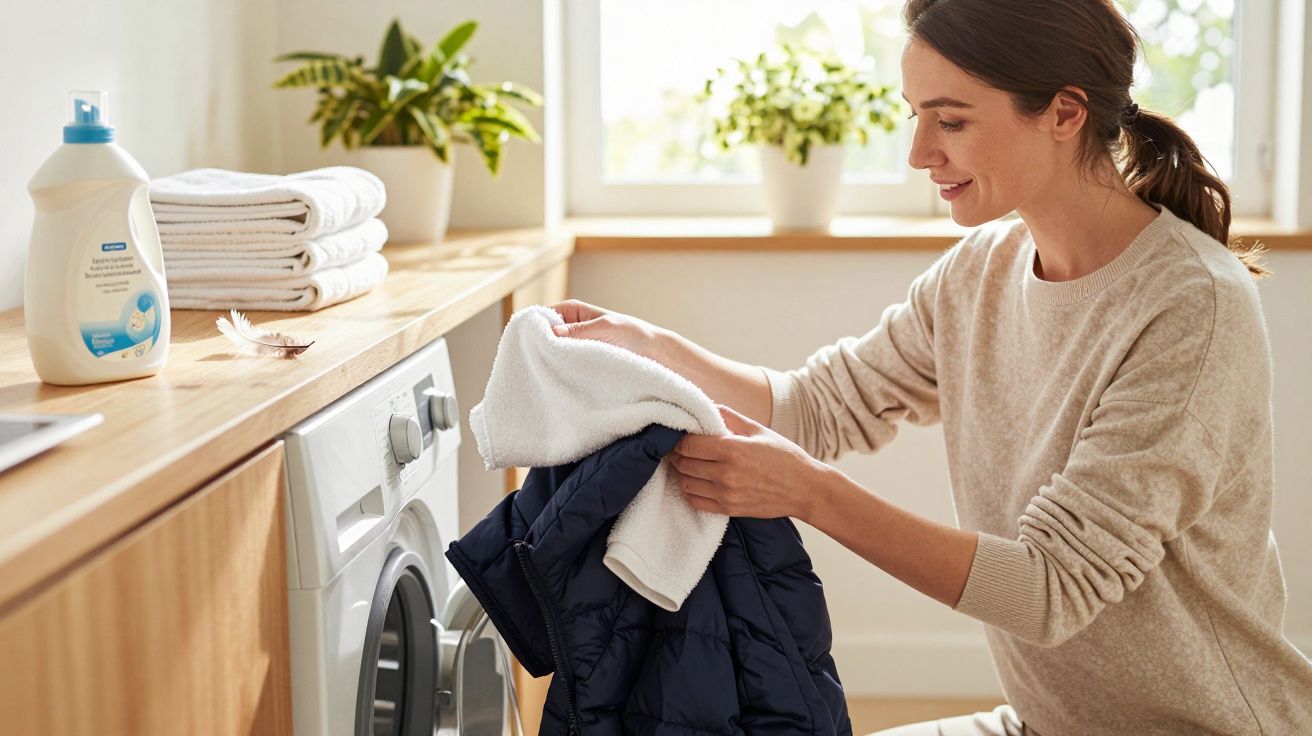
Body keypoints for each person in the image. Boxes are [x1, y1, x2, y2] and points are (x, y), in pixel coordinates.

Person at [548, 0, 1312, 733]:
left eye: (950, 120)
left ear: (1064, 113)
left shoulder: (1190, 308)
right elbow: (821, 406)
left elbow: (1051, 588)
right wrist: (653, 347)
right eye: (917, 116)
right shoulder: (980, 271)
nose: (919, 153)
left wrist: (811, 494)